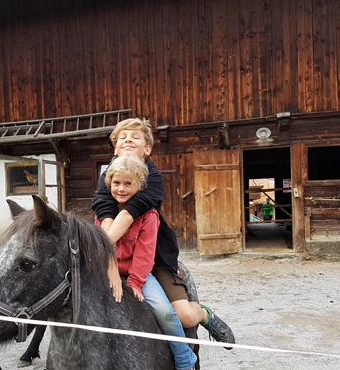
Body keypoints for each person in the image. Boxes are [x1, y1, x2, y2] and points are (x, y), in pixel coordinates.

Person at [92, 118, 235, 347]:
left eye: (135, 137)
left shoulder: (153, 177)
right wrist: (104, 254)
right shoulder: (107, 176)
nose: (128, 139)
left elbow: (130, 213)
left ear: (147, 149)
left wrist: (102, 245)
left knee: (185, 316)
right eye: (122, 137)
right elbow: (104, 211)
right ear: (115, 149)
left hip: (152, 256)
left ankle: (205, 315)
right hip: (114, 254)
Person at [96, 154, 206, 370]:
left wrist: (135, 282)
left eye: (128, 184)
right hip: (108, 271)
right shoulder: (104, 211)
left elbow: (145, 254)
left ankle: (186, 366)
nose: (121, 189)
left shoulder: (149, 216)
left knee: (165, 312)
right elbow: (102, 247)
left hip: (139, 274)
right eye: (116, 183)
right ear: (108, 183)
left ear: (139, 185)